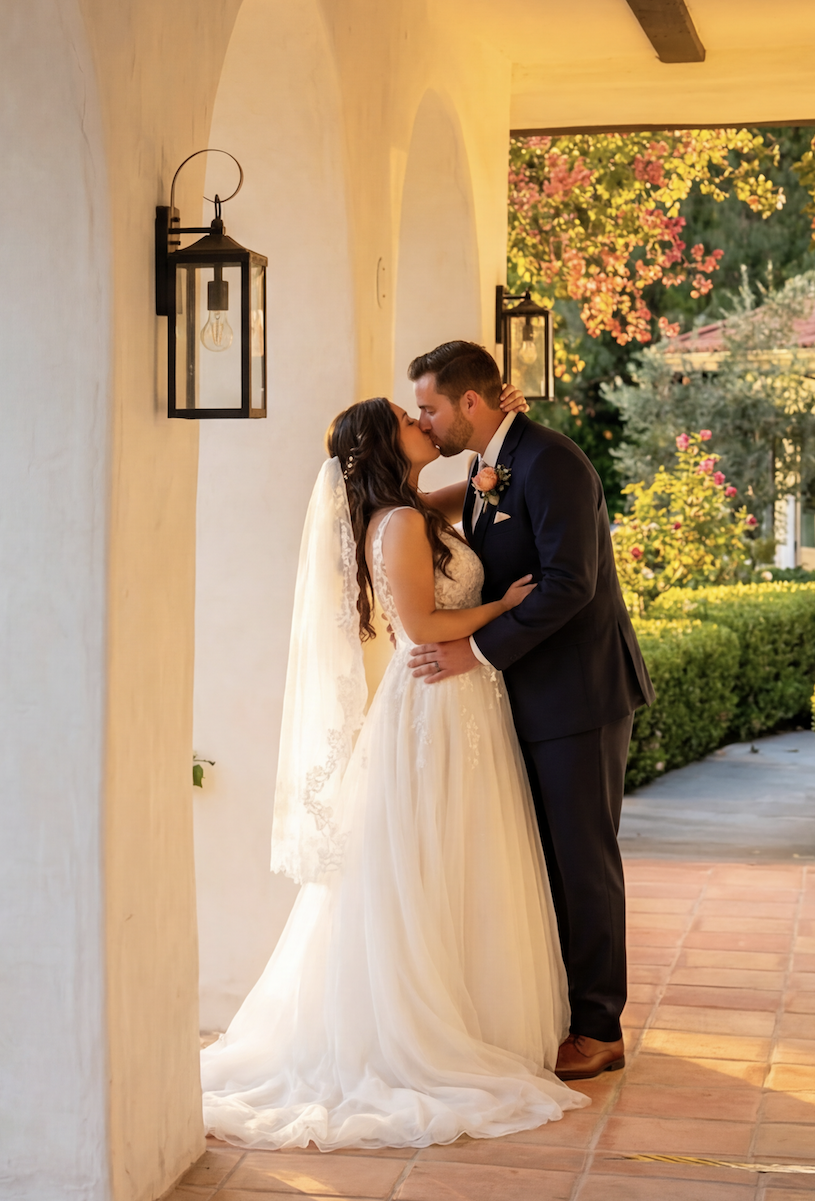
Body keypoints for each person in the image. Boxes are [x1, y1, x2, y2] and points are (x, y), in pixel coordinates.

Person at [198, 393, 585, 1151]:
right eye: (410, 419)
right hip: (437, 698)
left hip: (463, 698)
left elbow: (476, 483)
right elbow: (424, 626)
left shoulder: (415, 507)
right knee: (430, 853)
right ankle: (427, 1027)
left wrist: (496, 438)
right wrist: (501, 608)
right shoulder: (402, 523)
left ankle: (471, 1011)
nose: (422, 421)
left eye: (428, 409)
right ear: (385, 442)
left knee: (454, 854)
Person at [404, 340, 652, 1082]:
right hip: (532, 697)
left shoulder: (552, 463)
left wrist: (473, 653)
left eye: (430, 407)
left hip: (579, 695)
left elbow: (570, 583)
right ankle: (563, 1013)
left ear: (470, 403)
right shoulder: (492, 466)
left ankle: (600, 1028)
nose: (426, 419)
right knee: (546, 862)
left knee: (584, 862)